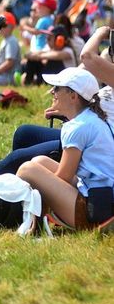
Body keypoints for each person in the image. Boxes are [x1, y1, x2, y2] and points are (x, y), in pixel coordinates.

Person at [0, 26, 114, 177]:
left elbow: (87, 56)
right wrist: (68, 111)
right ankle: (16, 184)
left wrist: (101, 32)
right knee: (23, 133)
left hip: (96, 141)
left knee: (18, 159)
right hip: (89, 130)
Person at [16, 67, 114, 230]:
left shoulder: (77, 127)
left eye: (57, 88)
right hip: (102, 198)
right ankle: (36, 217)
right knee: (40, 161)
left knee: (27, 170)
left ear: (73, 96)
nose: (52, 92)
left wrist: (43, 186)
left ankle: (21, 216)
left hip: (94, 211)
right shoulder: (91, 118)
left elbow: (65, 176)